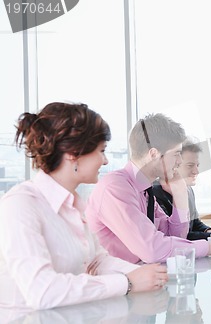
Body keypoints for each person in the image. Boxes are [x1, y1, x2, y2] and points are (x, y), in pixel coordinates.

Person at [0, 103, 167, 312]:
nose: (105, 161)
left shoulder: (75, 204)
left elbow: (96, 262)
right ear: (74, 153)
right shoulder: (20, 205)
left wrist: (148, 275)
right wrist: (127, 282)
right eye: (101, 151)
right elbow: (42, 292)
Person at [86, 114, 211, 265]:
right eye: (177, 154)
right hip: (118, 284)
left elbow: (174, 237)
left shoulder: (145, 191)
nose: (179, 161)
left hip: (141, 278)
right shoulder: (115, 187)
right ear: (154, 154)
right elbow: (152, 250)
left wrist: (180, 195)